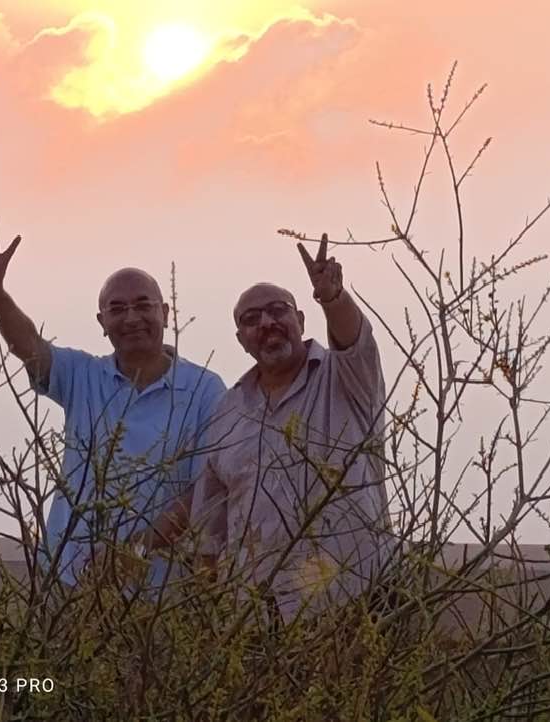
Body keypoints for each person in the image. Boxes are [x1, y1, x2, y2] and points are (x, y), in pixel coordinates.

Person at [139, 234, 393, 623]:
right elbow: (210, 526)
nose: (267, 323)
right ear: (241, 340)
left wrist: (332, 297)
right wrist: (213, 613)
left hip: (353, 600)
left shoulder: (347, 378)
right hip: (259, 614)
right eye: (251, 319)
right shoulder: (228, 411)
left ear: (301, 320)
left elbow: (354, 339)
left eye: (278, 311)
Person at [0, 218, 226, 588]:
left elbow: (204, 488)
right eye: (117, 309)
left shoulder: (204, 389)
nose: (132, 318)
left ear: (166, 313)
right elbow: (27, 346)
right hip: (71, 579)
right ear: (101, 321)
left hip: (161, 589)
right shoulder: (82, 375)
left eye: (143, 305)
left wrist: (132, 553)